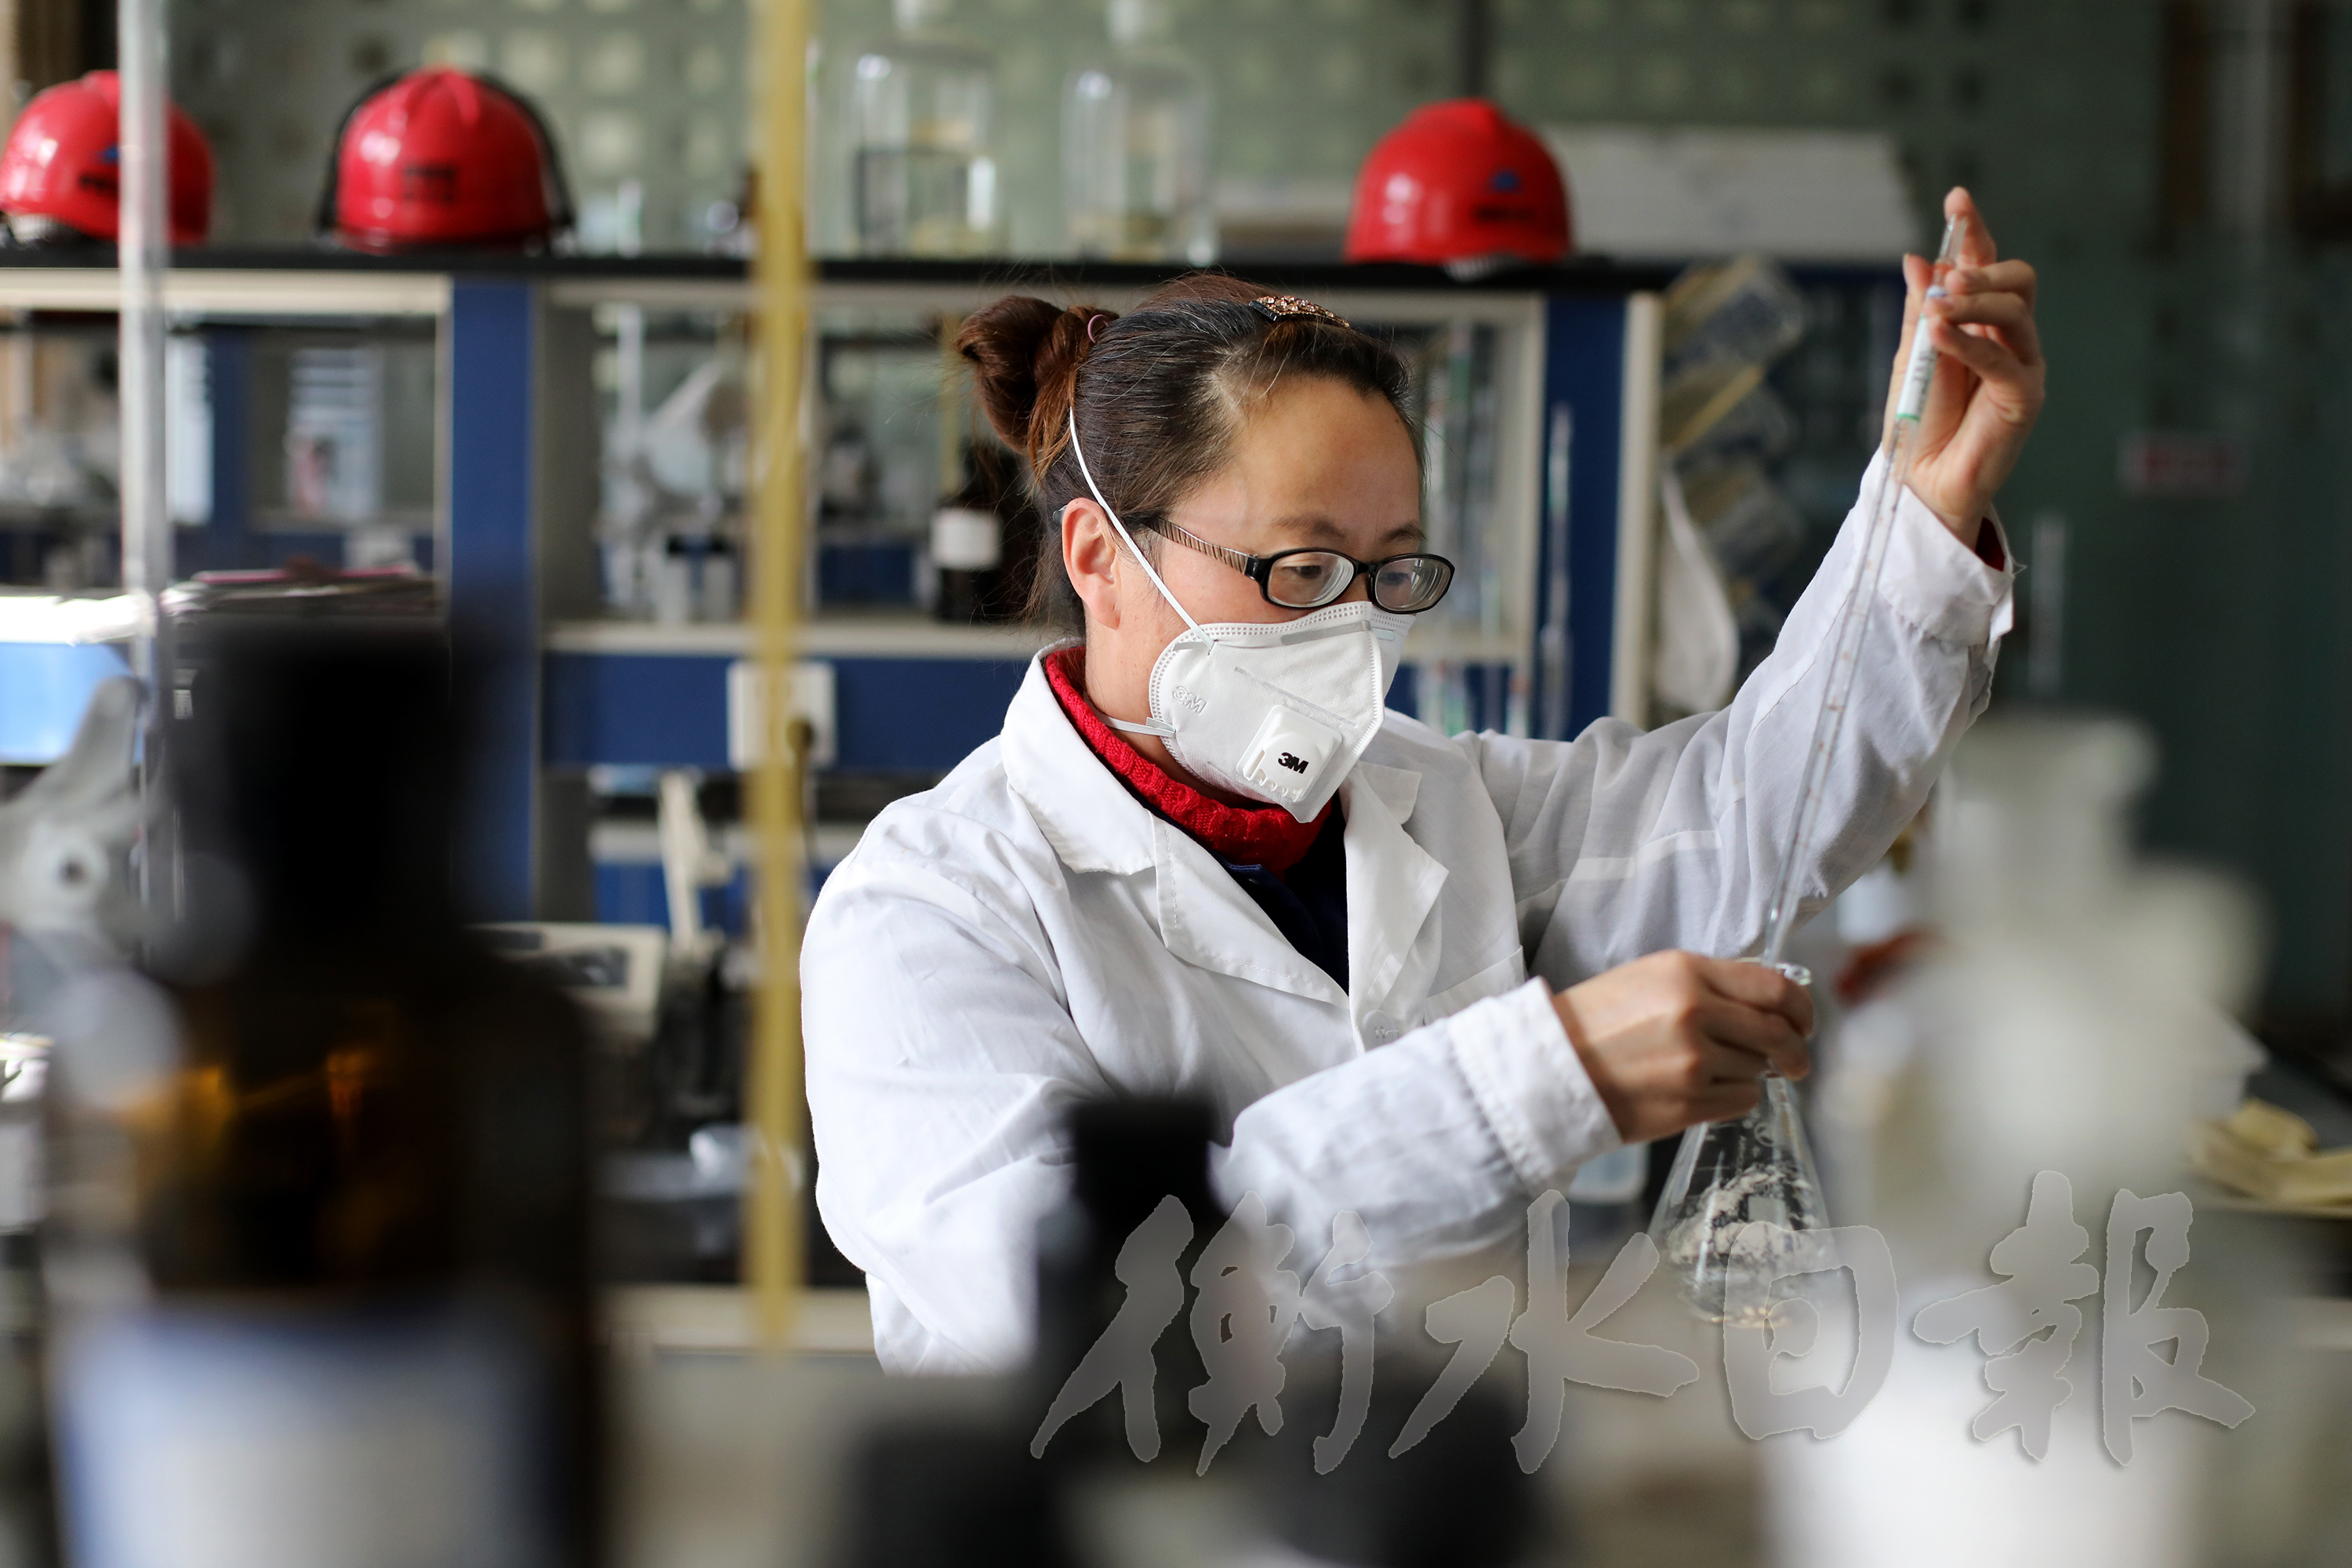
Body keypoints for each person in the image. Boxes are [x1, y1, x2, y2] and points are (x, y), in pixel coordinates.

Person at [804, 187, 2042, 1374]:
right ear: (1100, 558)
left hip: (1438, 1475)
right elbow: (1080, 1304)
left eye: (1389, 574)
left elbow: (1760, 809)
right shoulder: (931, 908)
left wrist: (1920, 514)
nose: (1350, 627)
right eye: (1299, 570)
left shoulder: (1443, 802)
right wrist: (1534, 1083)